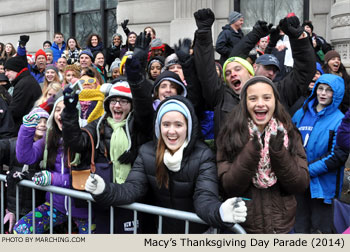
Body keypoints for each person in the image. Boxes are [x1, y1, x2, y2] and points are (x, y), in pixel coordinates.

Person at [85, 96, 247, 233]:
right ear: (158, 127)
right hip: (161, 231)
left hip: (196, 233)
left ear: (188, 127)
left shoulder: (203, 156)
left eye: (178, 125)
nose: (171, 131)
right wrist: (103, 190)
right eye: (166, 124)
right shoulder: (147, 152)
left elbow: (204, 199)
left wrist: (220, 213)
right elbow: (132, 189)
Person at [193, 8, 315, 140]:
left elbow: (304, 72)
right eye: (227, 73)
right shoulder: (220, 97)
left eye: (238, 70)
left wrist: (297, 38)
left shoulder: (277, 92)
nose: (232, 74)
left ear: (251, 73)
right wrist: (204, 33)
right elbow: (206, 70)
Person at [61, 62, 154, 233]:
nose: (117, 106)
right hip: (103, 197)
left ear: (131, 105)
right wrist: (69, 113)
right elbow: (77, 142)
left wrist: (135, 153)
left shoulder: (139, 126)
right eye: (113, 101)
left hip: (132, 198)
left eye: (123, 101)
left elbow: (148, 126)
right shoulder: (98, 125)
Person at [216, 76, 309, 233]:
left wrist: (279, 153)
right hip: (243, 229)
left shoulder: (289, 132)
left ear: (275, 101)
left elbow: (300, 184)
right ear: (245, 103)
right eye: (253, 98)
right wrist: (252, 151)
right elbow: (229, 187)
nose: (260, 103)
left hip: (281, 228)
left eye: (267, 98)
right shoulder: (230, 133)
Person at [13, 97, 90, 234]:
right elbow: (25, 157)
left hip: (85, 209)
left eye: (65, 110)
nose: (60, 114)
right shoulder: (50, 136)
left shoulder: (86, 137)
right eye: (57, 110)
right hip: (56, 206)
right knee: (21, 230)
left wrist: (52, 179)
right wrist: (27, 127)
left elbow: (86, 178)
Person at [292, 74, 347, 233]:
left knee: (321, 233)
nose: (323, 93)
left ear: (336, 94)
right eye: (320, 88)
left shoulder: (340, 120)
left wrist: (307, 171)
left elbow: (337, 156)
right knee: (299, 230)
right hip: (299, 183)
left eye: (329, 91)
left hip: (323, 189)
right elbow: (288, 141)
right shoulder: (301, 113)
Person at [1, 107, 48, 233]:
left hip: (38, 208)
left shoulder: (50, 150)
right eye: (38, 121)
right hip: (12, 207)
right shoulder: (12, 144)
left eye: (46, 121)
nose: (42, 125)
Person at [4, 56, 42, 133]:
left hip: (27, 128)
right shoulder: (25, 81)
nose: (6, 74)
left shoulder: (24, 84)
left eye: (8, 70)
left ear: (16, 69)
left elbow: (16, 110)